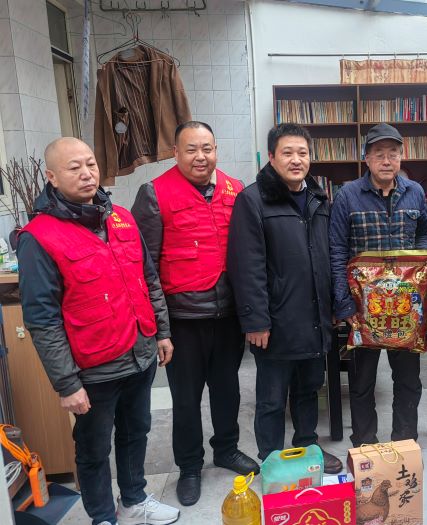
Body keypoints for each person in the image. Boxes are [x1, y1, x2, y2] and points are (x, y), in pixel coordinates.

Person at [17, 138, 179, 525]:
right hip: (92, 368)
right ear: (52, 177)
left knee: (135, 432)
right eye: (74, 167)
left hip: (139, 353)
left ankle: (134, 500)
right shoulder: (38, 237)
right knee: (93, 448)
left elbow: (148, 279)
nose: (87, 173)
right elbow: (42, 318)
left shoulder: (121, 218)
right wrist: (66, 384)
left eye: (90, 164)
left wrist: (161, 332)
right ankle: (103, 516)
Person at [132, 121, 258, 507]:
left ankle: (226, 449)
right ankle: (189, 466)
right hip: (183, 319)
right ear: (176, 152)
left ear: (216, 150)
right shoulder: (154, 193)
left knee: (228, 389)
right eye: (191, 149)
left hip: (229, 315)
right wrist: (159, 329)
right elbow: (144, 267)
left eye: (207, 148)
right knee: (186, 399)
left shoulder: (236, 189)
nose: (200, 157)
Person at [228, 123, 342, 474]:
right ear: (272, 157)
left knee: (309, 390)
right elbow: (246, 266)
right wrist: (255, 320)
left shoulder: (319, 198)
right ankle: (272, 460)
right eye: (287, 153)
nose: (296, 160)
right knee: (272, 399)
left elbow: (326, 256)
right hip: (275, 321)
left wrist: (332, 306)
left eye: (302, 153)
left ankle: (308, 448)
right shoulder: (252, 200)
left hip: (314, 317)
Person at [329, 123, 427, 447]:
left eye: (393, 153)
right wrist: (344, 303)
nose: (386, 161)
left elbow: (423, 234)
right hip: (364, 308)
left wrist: (425, 259)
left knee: (409, 380)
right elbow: (336, 250)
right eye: (379, 154)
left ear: (402, 156)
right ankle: (365, 446)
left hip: (405, 307)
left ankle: (405, 443)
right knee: (362, 382)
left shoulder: (415, 192)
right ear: (367, 158)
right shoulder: (347, 195)